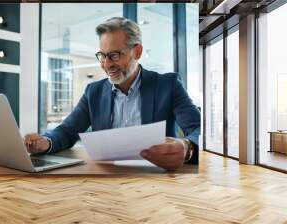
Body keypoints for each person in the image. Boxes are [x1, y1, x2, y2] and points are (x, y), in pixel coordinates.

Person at [25, 17, 200, 171]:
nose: (107, 64)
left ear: (137, 51)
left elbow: (198, 129)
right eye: (102, 55)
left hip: (156, 180)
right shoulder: (93, 92)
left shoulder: (167, 85)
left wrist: (187, 147)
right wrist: (46, 143)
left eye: (115, 55)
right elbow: (67, 131)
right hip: (106, 178)